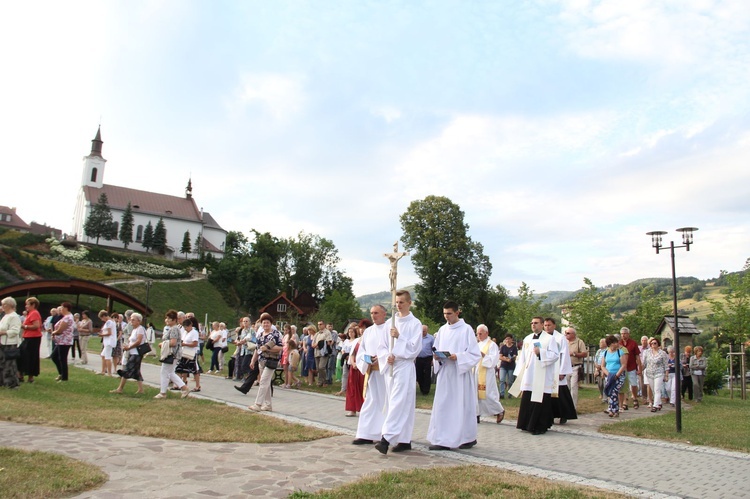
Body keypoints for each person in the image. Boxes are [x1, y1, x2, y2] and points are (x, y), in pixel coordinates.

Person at [427, 303, 482, 451]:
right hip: (445, 372)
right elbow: (436, 348)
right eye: (444, 313)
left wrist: (457, 356)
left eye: (449, 313)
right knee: (443, 405)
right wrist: (437, 357)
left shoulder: (466, 329)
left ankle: (467, 437)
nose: (446, 316)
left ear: (458, 312)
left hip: (460, 374)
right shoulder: (443, 329)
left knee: (461, 405)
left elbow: (474, 353)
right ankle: (441, 438)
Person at [374, 290, 422, 454]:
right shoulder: (390, 323)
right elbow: (382, 346)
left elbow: (415, 349)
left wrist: (400, 337)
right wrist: (387, 356)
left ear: (409, 303)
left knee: (399, 401)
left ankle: (385, 439)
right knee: (397, 402)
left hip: (405, 366)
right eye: (396, 302)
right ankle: (404, 439)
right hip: (391, 367)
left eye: (401, 302)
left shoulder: (415, 323)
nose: (398, 305)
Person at [510, 316, 560, 435]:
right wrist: (519, 373)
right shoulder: (527, 339)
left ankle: (539, 426)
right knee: (527, 397)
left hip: (542, 375)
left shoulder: (549, 339)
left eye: (536, 323)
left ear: (542, 325)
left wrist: (541, 353)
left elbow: (555, 355)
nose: (533, 325)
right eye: (532, 323)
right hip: (529, 374)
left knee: (540, 400)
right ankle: (526, 423)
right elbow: (522, 357)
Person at [352, 306, 389, 445]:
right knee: (370, 401)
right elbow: (361, 351)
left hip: (385, 373)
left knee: (385, 403)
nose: (373, 315)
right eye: (372, 313)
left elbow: (393, 350)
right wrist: (367, 358)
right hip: (372, 372)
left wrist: (381, 358)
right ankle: (365, 433)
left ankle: (384, 434)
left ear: (384, 314)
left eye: (376, 313)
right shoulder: (368, 332)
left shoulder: (389, 329)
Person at [248, 313, 282, 412]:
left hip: (271, 361)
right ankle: (268, 405)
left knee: (263, 381)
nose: (265, 325)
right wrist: (253, 360)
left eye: (267, 323)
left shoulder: (275, 334)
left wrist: (267, 349)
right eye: (264, 323)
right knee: (265, 383)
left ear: (271, 324)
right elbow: (257, 349)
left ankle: (258, 404)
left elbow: (280, 347)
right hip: (261, 361)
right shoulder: (260, 335)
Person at [155, 310, 190, 398]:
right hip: (172, 353)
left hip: (172, 353)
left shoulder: (174, 328)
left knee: (164, 372)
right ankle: (184, 388)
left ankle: (163, 393)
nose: (167, 320)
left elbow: (173, 342)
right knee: (170, 373)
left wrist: (162, 344)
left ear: (174, 320)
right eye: (166, 318)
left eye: (169, 318)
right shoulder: (173, 328)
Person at [475, 324, 505, 424]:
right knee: (476, 394)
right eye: (477, 333)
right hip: (477, 373)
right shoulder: (477, 344)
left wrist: (484, 355)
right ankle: (476, 414)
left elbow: (494, 360)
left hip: (486, 374)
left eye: (480, 333)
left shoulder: (492, 345)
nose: (478, 335)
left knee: (488, 394)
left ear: (486, 333)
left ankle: (499, 410)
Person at [547, 319, 576, 425]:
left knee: (561, 394)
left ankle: (564, 414)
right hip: (547, 370)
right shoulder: (543, 338)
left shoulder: (560, 338)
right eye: (545, 325)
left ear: (554, 326)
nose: (547, 327)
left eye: (549, 325)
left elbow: (564, 355)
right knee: (548, 394)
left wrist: (563, 371)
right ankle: (549, 415)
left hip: (557, 369)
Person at [110, 312, 147, 394]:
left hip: (137, 353)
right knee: (137, 372)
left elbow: (139, 341)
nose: (131, 321)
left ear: (139, 321)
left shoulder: (140, 329)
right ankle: (141, 390)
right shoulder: (134, 329)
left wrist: (129, 347)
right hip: (132, 352)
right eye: (131, 319)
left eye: (133, 320)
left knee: (126, 370)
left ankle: (120, 389)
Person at [345, 319, 369, 417]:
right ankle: (352, 409)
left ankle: (364, 409)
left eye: (364, 328)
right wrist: (353, 363)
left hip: (363, 369)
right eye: (360, 328)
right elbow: (352, 354)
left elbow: (369, 354)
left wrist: (362, 364)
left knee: (364, 389)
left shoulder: (369, 340)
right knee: (352, 389)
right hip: (354, 369)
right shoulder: (356, 341)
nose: (362, 330)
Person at [601, 334, 629, 417]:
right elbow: (603, 365)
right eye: (616, 342)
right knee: (610, 392)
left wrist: (617, 375)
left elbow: (623, 365)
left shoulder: (620, 352)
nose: (617, 344)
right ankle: (615, 410)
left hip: (619, 375)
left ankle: (612, 410)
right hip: (609, 375)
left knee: (614, 391)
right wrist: (608, 374)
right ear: (611, 343)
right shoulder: (605, 353)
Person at [18, 297, 43, 384]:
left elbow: (36, 325)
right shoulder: (31, 313)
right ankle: (21, 374)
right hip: (28, 337)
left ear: (33, 305)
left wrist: (24, 326)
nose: (26, 306)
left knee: (30, 357)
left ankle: (29, 377)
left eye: (27, 304)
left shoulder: (34, 313)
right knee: (22, 355)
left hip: (33, 338)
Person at [0, 297, 22, 389]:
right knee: (2, 364)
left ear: (8, 305)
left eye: (3, 304)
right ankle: (3, 382)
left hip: (10, 343)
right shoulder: (5, 316)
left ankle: (12, 384)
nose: (2, 306)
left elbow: (15, 331)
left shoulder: (14, 316)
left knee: (10, 364)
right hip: (2, 342)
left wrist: (3, 333)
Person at [50, 302, 75, 382]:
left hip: (65, 341)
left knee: (62, 359)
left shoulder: (68, 317)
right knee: (54, 356)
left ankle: (64, 377)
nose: (60, 309)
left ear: (66, 308)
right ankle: (61, 373)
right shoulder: (66, 317)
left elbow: (60, 330)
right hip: (60, 341)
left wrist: (53, 333)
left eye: (62, 308)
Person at [642, 337, 669, 412]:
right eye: (651, 343)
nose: (653, 345)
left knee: (657, 389)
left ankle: (655, 405)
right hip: (649, 373)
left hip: (659, 373)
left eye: (655, 343)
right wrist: (640, 370)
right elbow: (644, 363)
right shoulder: (647, 352)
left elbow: (666, 365)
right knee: (653, 389)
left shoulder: (662, 353)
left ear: (658, 344)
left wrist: (666, 375)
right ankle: (659, 403)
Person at [175, 319, 202, 392]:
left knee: (194, 370)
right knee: (180, 368)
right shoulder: (185, 333)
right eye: (184, 327)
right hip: (184, 352)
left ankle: (197, 386)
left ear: (190, 326)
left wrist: (185, 344)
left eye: (186, 327)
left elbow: (195, 344)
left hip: (191, 353)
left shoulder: (194, 333)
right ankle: (180, 383)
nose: (185, 329)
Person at [619, 327, 643, 410]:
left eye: (625, 333)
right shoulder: (619, 343)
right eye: (622, 334)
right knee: (624, 385)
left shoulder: (633, 343)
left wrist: (640, 368)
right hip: (622, 367)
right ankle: (625, 401)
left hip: (632, 367)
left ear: (628, 334)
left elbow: (637, 356)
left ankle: (635, 398)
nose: (623, 335)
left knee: (633, 384)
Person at [566, 327, 588, 408]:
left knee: (573, 386)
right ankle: (566, 406)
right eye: (566, 333)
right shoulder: (564, 342)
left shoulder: (579, 342)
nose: (566, 334)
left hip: (576, 366)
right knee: (566, 387)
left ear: (573, 334)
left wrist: (574, 354)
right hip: (566, 367)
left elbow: (585, 354)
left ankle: (573, 407)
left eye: (568, 333)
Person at [337, 322, 358, 395]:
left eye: (352, 332)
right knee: (345, 374)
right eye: (349, 332)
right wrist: (344, 355)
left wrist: (350, 356)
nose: (350, 333)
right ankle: (343, 389)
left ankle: (352, 389)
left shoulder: (357, 340)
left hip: (352, 359)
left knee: (352, 375)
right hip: (346, 359)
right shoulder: (346, 341)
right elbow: (343, 349)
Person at [415, 324, 434, 396]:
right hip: (419, 358)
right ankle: (421, 387)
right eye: (421, 331)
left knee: (427, 374)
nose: (423, 332)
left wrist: (433, 359)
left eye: (424, 331)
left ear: (427, 331)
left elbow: (434, 348)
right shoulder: (417, 337)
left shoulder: (431, 338)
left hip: (427, 358)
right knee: (419, 374)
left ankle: (426, 390)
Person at [98, 310, 117, 376]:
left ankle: (109, 373)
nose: (102, 320)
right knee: (103, 355)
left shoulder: (109, 322)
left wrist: (101, 335)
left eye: (101, 318)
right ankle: (103, 371)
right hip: (107, 342)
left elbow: (109, 333)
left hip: (109, 342)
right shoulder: (111, 321)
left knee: (107, 357)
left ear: (104, 316)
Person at [498, 334, 517, 399]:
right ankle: (502, 393)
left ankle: (510, 393)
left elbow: (514, 356)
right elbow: (500, 356)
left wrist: (510, 359)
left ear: (511, 339)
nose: (507, 340)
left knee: (510, 381)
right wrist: (505, 359)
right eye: (506, 339)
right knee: (502, 379)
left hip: (511, 366)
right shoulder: (503, 347)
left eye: (509, 338)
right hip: (503, 365)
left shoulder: (514, 347)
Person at [313, 321, 332, 387]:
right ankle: (320, 381)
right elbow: (313, 343)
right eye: (318, 324)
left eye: (320, 324)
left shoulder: (327, 332)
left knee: (322, 367)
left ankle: (324, 381)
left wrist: (320, 344)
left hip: (324, 352)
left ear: (324, 325)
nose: (319, 326)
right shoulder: (317, 334)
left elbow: (329, 342)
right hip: (316, 352)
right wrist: (316, 345)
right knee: (318, 368)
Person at [594, 338, 608, 402]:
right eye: (600, 342)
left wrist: (602, 368)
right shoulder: (599, 351)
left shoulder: (607, 350)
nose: (600, 344)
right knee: (599, 384)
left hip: (604, 368)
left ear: (605, 343)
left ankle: (605, 398)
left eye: (602, 342)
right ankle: (601, 394)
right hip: (598, 368)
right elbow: (595, 359)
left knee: (604, 383)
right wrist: (596, 367)